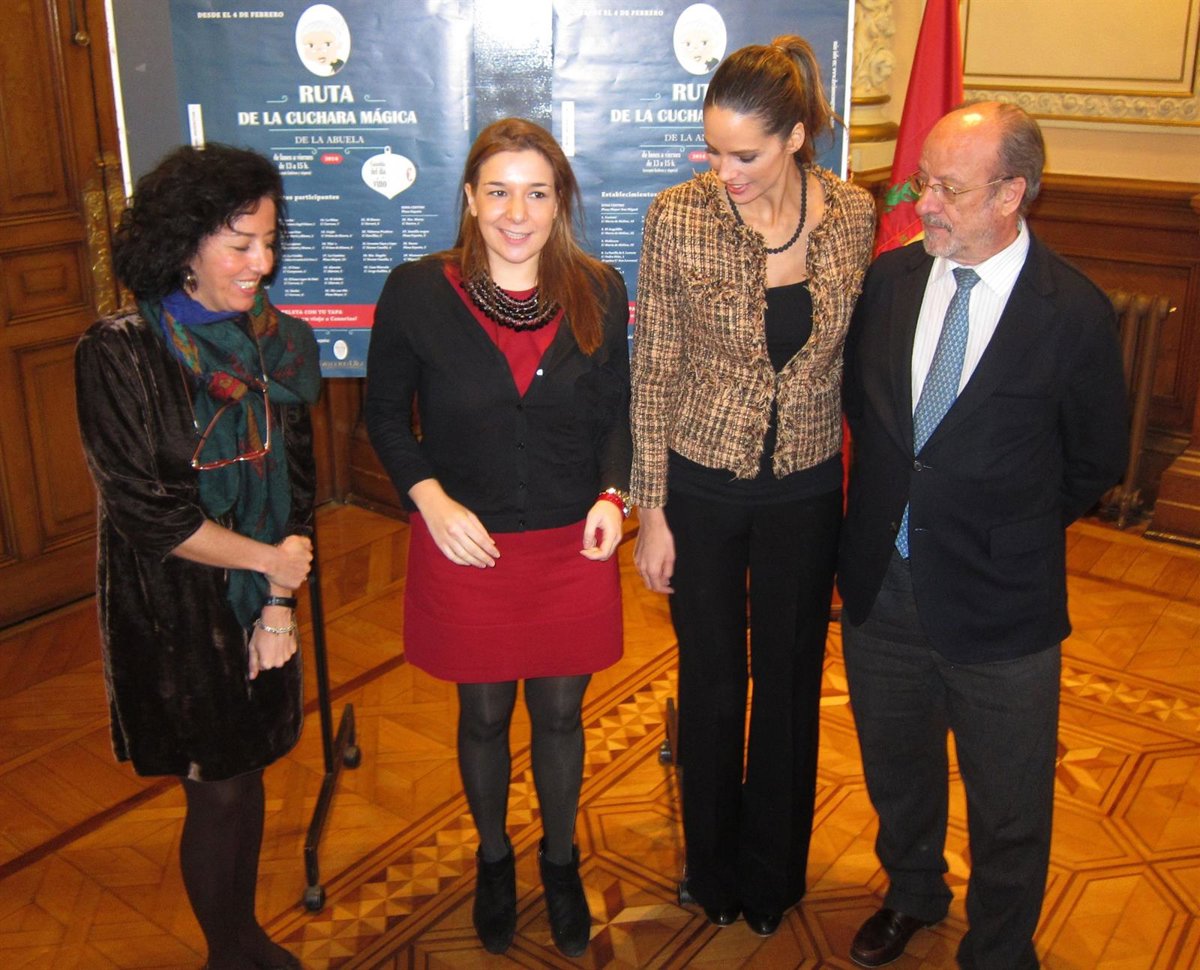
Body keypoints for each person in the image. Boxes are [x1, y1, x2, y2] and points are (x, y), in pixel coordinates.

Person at [838, 102, 1128, 969]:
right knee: (898, 771)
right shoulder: (889, 284)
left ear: (1012, 193)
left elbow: (1094, 460)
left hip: (1003, 605)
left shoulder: (1072, 311)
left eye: (950, 189)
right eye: (923, 182)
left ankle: (1000, 947)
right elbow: (868, 417)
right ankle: (912, 892)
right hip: (884, 587)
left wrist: (1000, 529)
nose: (924, 204)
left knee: (1009, 802)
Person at [364, 117, 631, 958]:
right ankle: (492, 858)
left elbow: (616, 413)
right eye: (500, 191)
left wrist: (614, 495)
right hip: (464, 543)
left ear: (561, 202)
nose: (519, 212)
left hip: (568, 544)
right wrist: (430, 501)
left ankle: (560, 860)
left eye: (538, 193)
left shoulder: (599, 289)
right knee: (482, 717)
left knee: (560, 714)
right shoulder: (417, 291)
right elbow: (384, 416)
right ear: (470, 199)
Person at [631, 36, 875, 937]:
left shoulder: (853, 214)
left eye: (743, 155)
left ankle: (772, 876)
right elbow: (653, 367)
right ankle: (712, 870)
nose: (722, 171)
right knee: (711, 678)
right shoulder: (676, 216)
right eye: (712, 150)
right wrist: (651, 511)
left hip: (805, 484)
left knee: (790, 678)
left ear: (796, 137)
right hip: (700, 480)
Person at [74, 144, 321, 970]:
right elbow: (149, 513)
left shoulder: (272, 342)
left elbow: (295, 482)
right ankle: (229, 951)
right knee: (215, 789)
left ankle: (242, 939)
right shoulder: (120, 351)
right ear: (184, 244)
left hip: (261, 599)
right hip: (175, 609)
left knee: (246, 777)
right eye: (241, 244)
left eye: (270, 242)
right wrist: (269, 567)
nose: (263, 263)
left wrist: (278, 603)